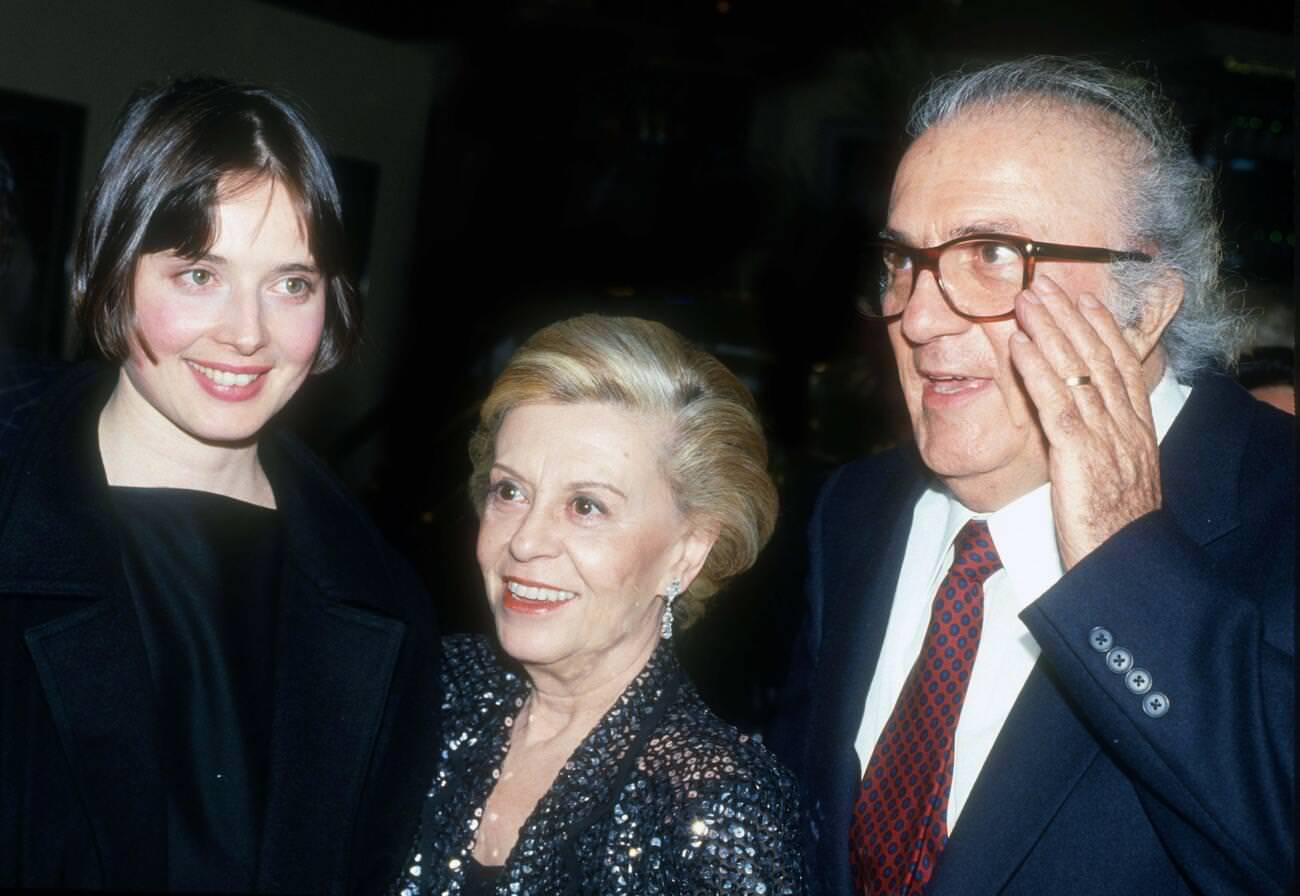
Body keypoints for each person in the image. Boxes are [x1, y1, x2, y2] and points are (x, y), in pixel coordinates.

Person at [767, 57, 1294, 895]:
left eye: (991, 253)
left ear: (1147, 306)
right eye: (902, 261)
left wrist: (1124, 560)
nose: (918, 317)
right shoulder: (857, 510)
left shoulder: (1281, 512)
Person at [0, 78, 439, 893]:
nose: (247, 333)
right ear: (112, 269)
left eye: (291, 283)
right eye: (199, 274)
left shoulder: (385, 602)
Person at [393, 314, 806, 895]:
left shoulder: (717, 807)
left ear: (687, 551)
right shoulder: (424, 692)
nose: (525, 542)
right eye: (510, 491)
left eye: (586, 506)